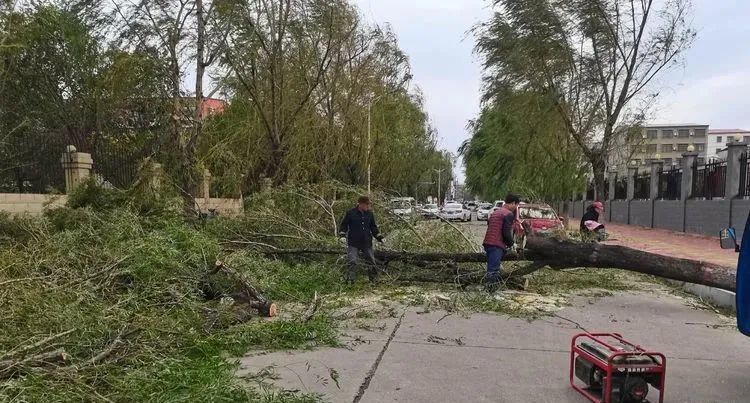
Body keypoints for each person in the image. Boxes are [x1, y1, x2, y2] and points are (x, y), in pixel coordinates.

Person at [339, 195, 384, 284]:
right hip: (353, 242)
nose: (368, 206)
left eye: (369, 205)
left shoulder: (370, 214)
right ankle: (351, 280)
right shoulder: (351, 213)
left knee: (371, 261)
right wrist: (342, 236)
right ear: (360, 204)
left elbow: (373, 227)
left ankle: (373, 280)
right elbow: (344, 225)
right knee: (352, 261)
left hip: (366, 242)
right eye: (367, 205)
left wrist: (380, 237)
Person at [482, 193, 520, 292]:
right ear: (512, 203)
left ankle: (490, 289)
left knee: (493, 267)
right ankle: (490, 292)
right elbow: (506, 232)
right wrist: (512, 244)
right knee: (493, 270)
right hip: (496, 244)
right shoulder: (508, 214)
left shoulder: (496, 212)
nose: (516, 208)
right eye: (516, 205)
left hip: (488, 242)